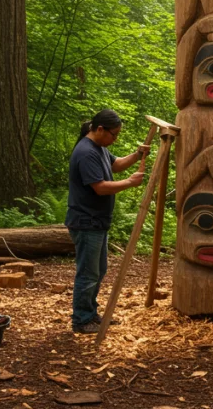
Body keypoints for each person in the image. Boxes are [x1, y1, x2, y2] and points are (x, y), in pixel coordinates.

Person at [66, 109, 150, 334]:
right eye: (114, 135)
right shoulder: (85, 152)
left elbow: (116, 165)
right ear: (100, 129)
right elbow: (100, 187)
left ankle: (90, 314)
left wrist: (137, 154)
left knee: (98, 271)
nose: (115, 139)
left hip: (97, 222)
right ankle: (82, 320)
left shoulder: (100, 149)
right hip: (86, 221)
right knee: (88, 273)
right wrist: (130, 183)